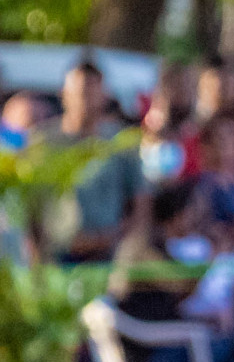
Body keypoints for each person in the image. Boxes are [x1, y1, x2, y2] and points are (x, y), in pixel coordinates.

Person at [40, 61, 151, 264]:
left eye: (93, 91)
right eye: (81, 91)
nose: (86, 99)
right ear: (63, 93)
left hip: (107, 257)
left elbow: (141, 203)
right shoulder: (43, 142)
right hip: (56, 257)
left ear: (104, 95)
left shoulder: (120, 142)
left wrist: (122, 243)